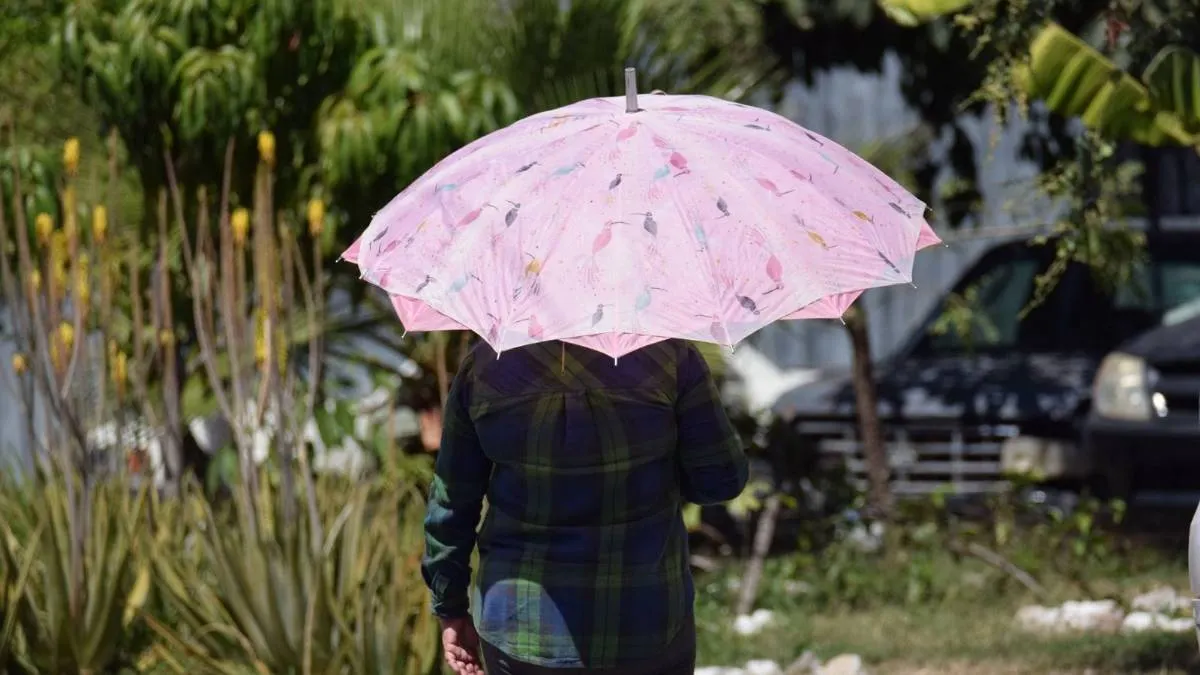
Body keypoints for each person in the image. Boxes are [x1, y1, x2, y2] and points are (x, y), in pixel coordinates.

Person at [422, 339, 748, 674]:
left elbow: (452, 501)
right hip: (646, 620)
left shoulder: (486, 366)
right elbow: (720, 481)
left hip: (521, 626)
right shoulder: (672, 358)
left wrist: (451, 606)